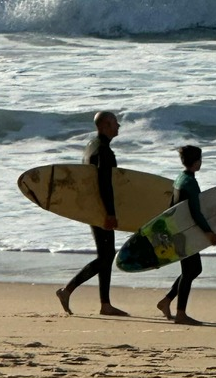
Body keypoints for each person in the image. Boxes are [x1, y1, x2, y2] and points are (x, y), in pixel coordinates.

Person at [55, 111, 129, 316]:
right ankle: (67, 290)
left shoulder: (91, 146)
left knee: (106, 255)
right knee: (106, 256)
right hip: (100, 209)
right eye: (114, 123)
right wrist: (110, 213)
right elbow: (105, 184)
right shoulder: (103, 151)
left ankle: (105, 304)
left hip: (92, 207)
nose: (118, 126)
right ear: (104, 125)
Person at [156, 144, 216, 325]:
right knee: (190, 270)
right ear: (196, 161)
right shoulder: (190, 183)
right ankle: (181, 313)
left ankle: (166, 301)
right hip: (185, 232)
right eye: (200, 159)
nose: (201, 162)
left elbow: (171, 206)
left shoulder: (180, 178)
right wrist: (208, 233)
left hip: (178, 229)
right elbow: (195, 212)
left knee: (193, 269)